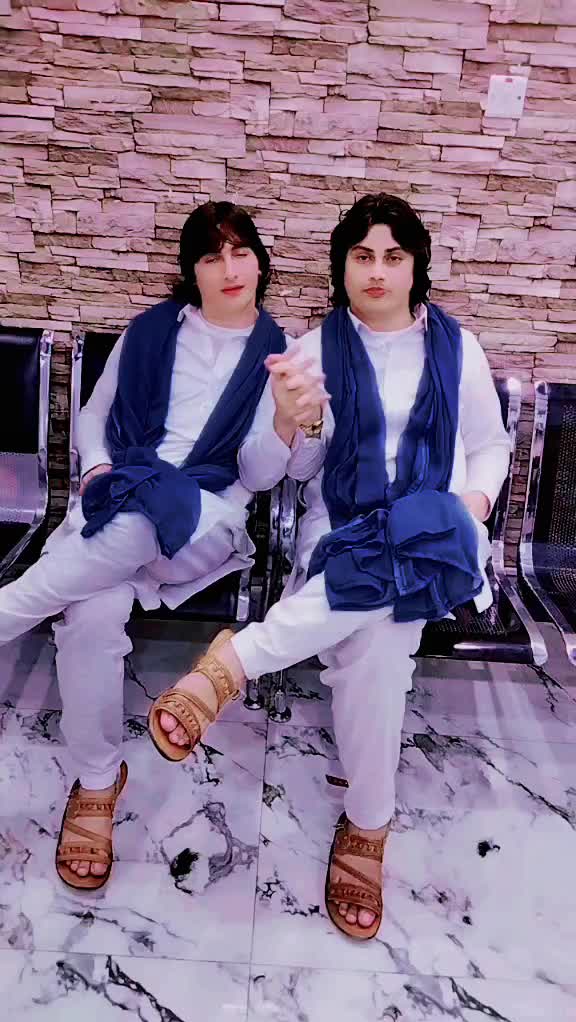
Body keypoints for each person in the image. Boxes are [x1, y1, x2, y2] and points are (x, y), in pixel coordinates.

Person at [147, 193, 511, 940]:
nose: (377, 271)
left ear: (416, 267)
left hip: (442, 533)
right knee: (376, 637)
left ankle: (236, 661)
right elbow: (273, 472)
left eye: (393, 257)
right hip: (342, 528)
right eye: (362, 256)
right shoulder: (311, 351)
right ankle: (368, 825)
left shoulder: (460, 349)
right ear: (341, 266)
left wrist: (470, 504)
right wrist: (295, 420)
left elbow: (490, 446)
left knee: (416, 546)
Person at [0, 201, 326, 890]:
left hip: (205, 518)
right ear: (192, 271)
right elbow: (95, 417)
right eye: (211, 256)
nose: (229, 268)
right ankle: (97, 781)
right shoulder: (149, 331)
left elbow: (259, 476)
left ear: (261, 263)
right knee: (89, 614)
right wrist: (97, 469)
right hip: (120, 496)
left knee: (146, 517)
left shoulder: (283, 356)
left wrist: (285, 420)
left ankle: (11, 608)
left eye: (241, 252)